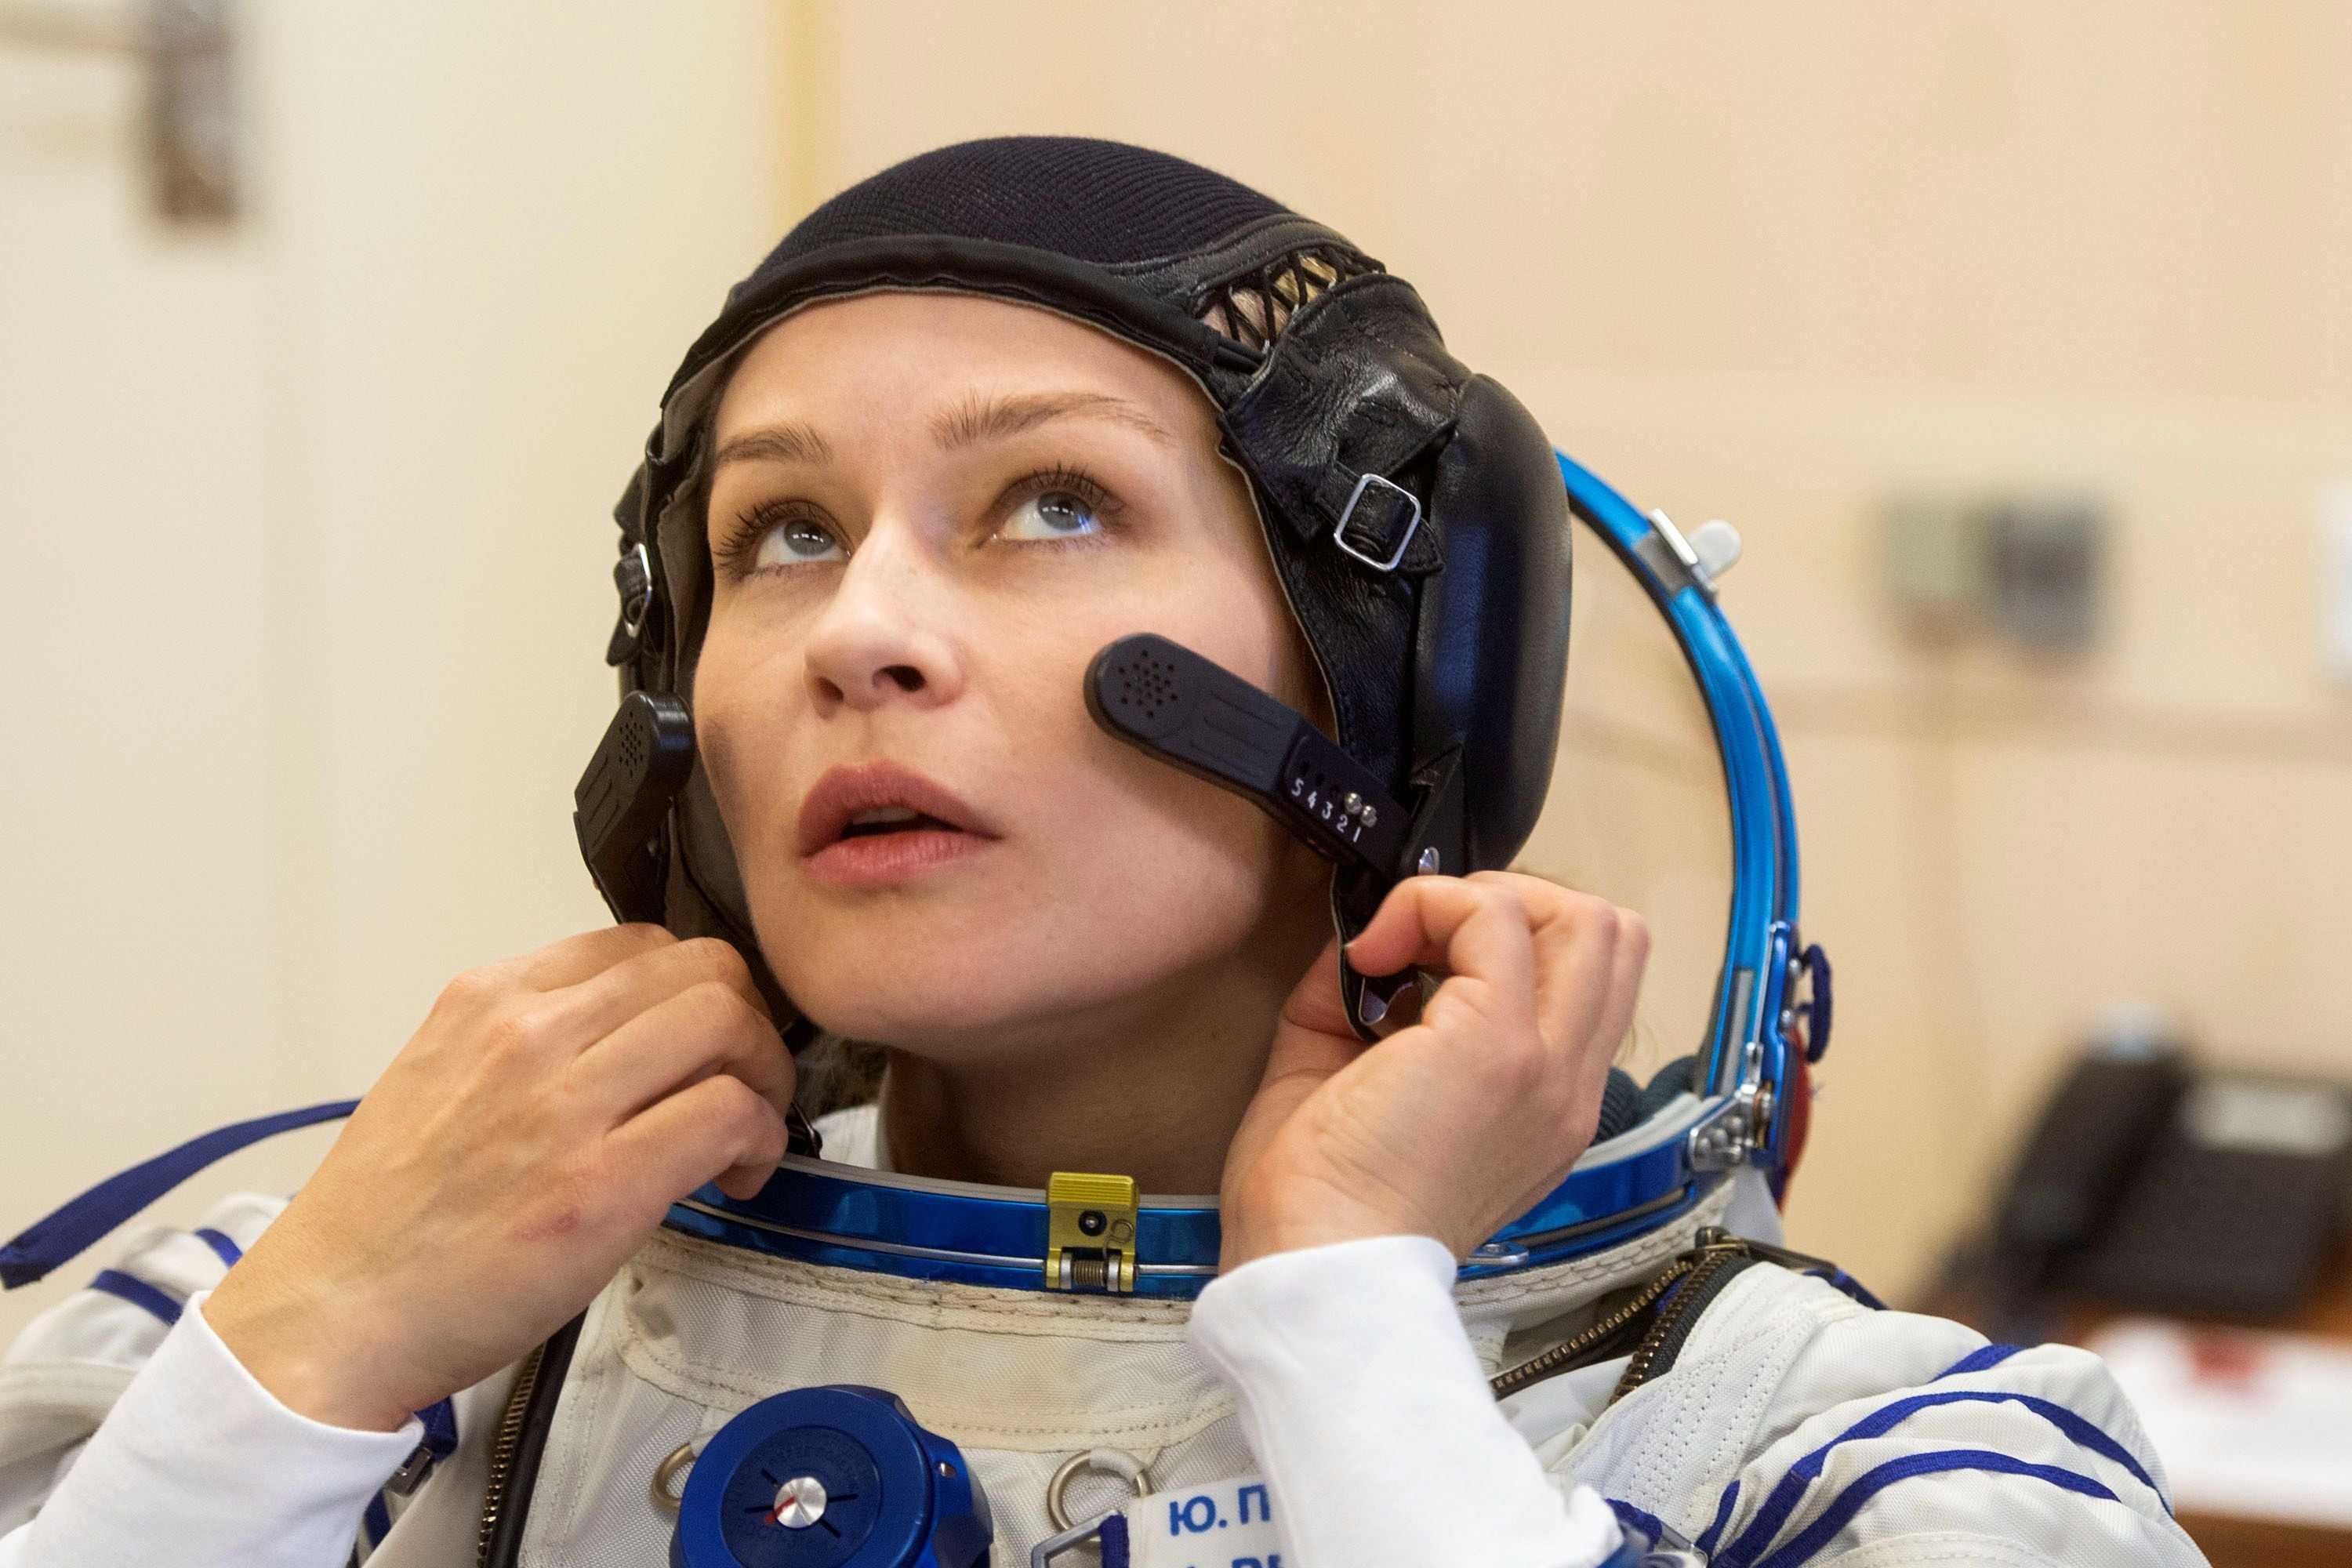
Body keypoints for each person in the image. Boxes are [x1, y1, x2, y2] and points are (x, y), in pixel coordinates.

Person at [0, 138, 2202, 1568]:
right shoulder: (275, 1308)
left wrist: (1342, 1321)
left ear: (1403, 676)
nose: (858, 630)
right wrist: (295, 1378)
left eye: (1050, 503)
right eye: (778, 533)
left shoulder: (1857, 1462)